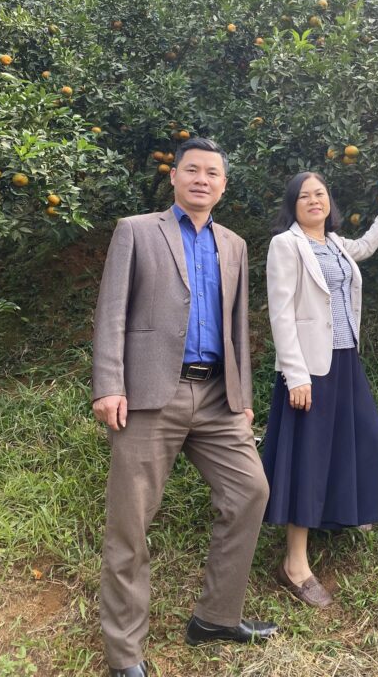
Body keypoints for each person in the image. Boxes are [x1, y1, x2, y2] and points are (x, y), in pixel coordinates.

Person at [92, 137, 276, 677]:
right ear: (173, 177)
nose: (201, 179)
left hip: (217, 396)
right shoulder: (136, 231)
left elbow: (237, 326)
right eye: (191, 170)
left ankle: (216, 618)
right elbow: (111, 312)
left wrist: (242, 399)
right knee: (130, 524)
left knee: (250, 492)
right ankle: (125, 655)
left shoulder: (234, 244)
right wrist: (109, 385)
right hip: (151, 394)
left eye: (212, 173)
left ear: (223, 184)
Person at [263, 172, 378, 608]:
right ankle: (295, 564)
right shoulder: (286, 245)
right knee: (308, 456)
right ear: (293, 205)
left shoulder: (336, 244)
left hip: (344, 360)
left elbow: (367, 246)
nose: (313, 201)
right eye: (304, 196)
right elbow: (281, 313)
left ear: (329, 201)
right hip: (309, 369)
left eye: (320, 193)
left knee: (364, 438)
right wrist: (295, 375)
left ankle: (339, 513)